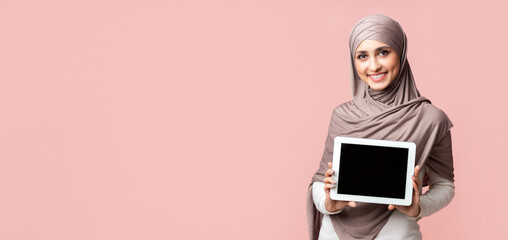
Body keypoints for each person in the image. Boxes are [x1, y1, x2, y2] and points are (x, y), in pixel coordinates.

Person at [306, 14, 455, 240]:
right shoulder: (343, 116)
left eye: (383, 52)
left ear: (401, 53)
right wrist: (329, 202)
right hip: (334, 234)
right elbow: (319, 182)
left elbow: (445, 185)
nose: (373, 65)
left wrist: (418, 207)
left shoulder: (431, 120)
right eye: (362, 56)